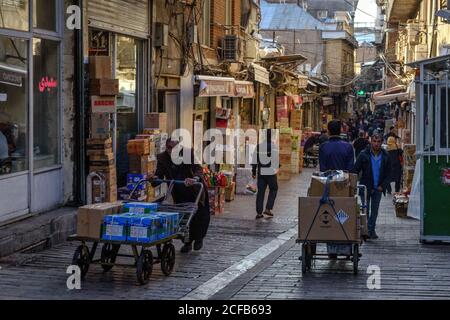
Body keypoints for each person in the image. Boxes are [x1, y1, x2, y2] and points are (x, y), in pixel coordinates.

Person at [153, 138, 210, 253]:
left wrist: (195, 178)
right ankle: (187, 242)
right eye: (169, 148)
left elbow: (198, 168)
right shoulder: (162, 158)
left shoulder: (187, 153)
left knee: (199, 215)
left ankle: (199, 238)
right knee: (184, 216)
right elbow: (158, 176)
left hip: (194, 189)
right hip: (178, 189)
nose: (172, 150)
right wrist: (153, 179)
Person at [352, 133, 392, 240]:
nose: (376, 144)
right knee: (366, 210)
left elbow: (389, 174)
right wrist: (354, 184)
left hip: (378, 188)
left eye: (379, 141)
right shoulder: (364, 154)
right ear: (370, 141)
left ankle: (371, 230)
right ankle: (366, 230)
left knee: (374, 211)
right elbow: (355, 169)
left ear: (382, 142)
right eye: (374, 141)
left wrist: (383, 186)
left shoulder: (385, 156)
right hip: (365, 188)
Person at [252, 130, 279, 220]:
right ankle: (268, 208)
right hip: (271, 172)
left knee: (260, 192)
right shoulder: (274, 146)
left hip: (261, 172)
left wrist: (253, 172)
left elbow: (254, 160)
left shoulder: (259, 146)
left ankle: (259, 213)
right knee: (274, 189)